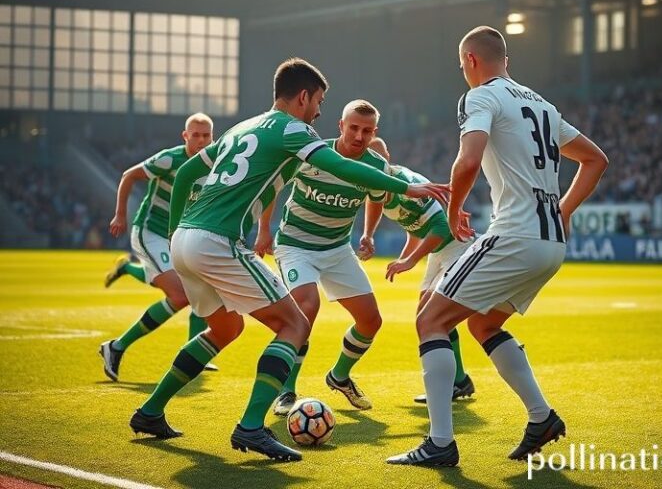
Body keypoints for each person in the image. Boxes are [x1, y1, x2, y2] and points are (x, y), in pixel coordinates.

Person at [129, 58, 448, 463]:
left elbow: (189, 172)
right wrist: (408, 187)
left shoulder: (242, 127)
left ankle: (150, 412)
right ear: (303, 97)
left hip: (186, 239)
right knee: (295, 323)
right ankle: (250, 427)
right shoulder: (295, 129)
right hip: (216, 241)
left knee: (225, 328)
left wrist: (176, 233)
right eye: (319, 101)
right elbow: (337, 164)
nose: (319, 110)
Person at [387, 26, 608, 466]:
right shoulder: (543, 105)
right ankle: (541, 418)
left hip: (515, 234)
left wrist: (452, 212)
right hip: (550, 242)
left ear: (470, 61)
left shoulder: (480, 96)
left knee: (429, 317)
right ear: (505, 58)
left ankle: (440, 444)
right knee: (483, 325)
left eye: (461, 65)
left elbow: (468, 159)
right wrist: (562, 212)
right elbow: (596, 159)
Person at [255, 100, 392, 415]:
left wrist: (368, 233)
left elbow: (377, 198)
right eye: (353, 128)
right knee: (306, 308)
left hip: (336, 248)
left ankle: (339, 376)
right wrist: (264, 230)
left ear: (375, 133)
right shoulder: (311, 153)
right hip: (295, 244)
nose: (359, 136)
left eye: (367, 131)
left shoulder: (377, 166)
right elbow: (273, 188)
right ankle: (286, 390)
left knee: (371, 321)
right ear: (341, 126)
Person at [100, 113, 215, 381]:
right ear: (184, 136)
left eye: (205, 135)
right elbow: (129, 176)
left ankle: (192, 351)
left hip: (180, 237)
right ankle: (116, 347)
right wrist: (120, 215)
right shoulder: (170, 159)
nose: (200, 140)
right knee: (180, 295)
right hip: (150, 232)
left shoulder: (214, 163)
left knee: (199, 287)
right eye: (195, 135)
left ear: (212, 136)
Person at [365, 137, 475, 405]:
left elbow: (439, 225)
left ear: (387, 159)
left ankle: (452, 384)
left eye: (379, 162)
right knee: (430, 317)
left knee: (431, 316)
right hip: (440, 250)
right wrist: (405, 256)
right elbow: (415, 228)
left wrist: (411, 261)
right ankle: (459, 381)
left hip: (456, 245)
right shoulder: (379, 188)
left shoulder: (405, 186)